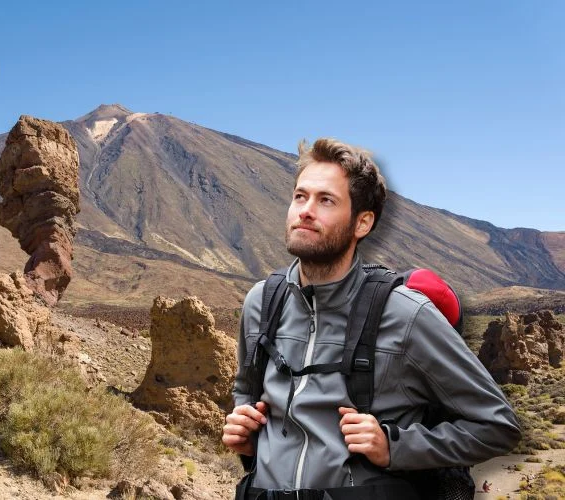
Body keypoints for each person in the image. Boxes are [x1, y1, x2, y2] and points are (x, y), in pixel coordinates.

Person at [223, 138, 521, 499]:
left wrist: (394, 447)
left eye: (326, 200)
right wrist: (244, 428)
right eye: (300, 196)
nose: (305, 210)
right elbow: (246, 389)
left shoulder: (405, 314)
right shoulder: (262, 303)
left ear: (362, 222)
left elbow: (497, 425)